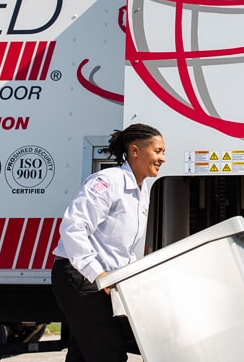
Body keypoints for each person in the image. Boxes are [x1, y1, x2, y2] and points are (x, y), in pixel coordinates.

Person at [51, 123, 165, 362]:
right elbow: (74, 227)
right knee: (108, 353)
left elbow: (122, 249)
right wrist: (98, 274)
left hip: (99, 280)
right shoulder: (107, 182)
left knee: (85, 352)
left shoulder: (141, 190)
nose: (162, 158)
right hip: (79, 277)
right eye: (158, 151)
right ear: (135, 151)